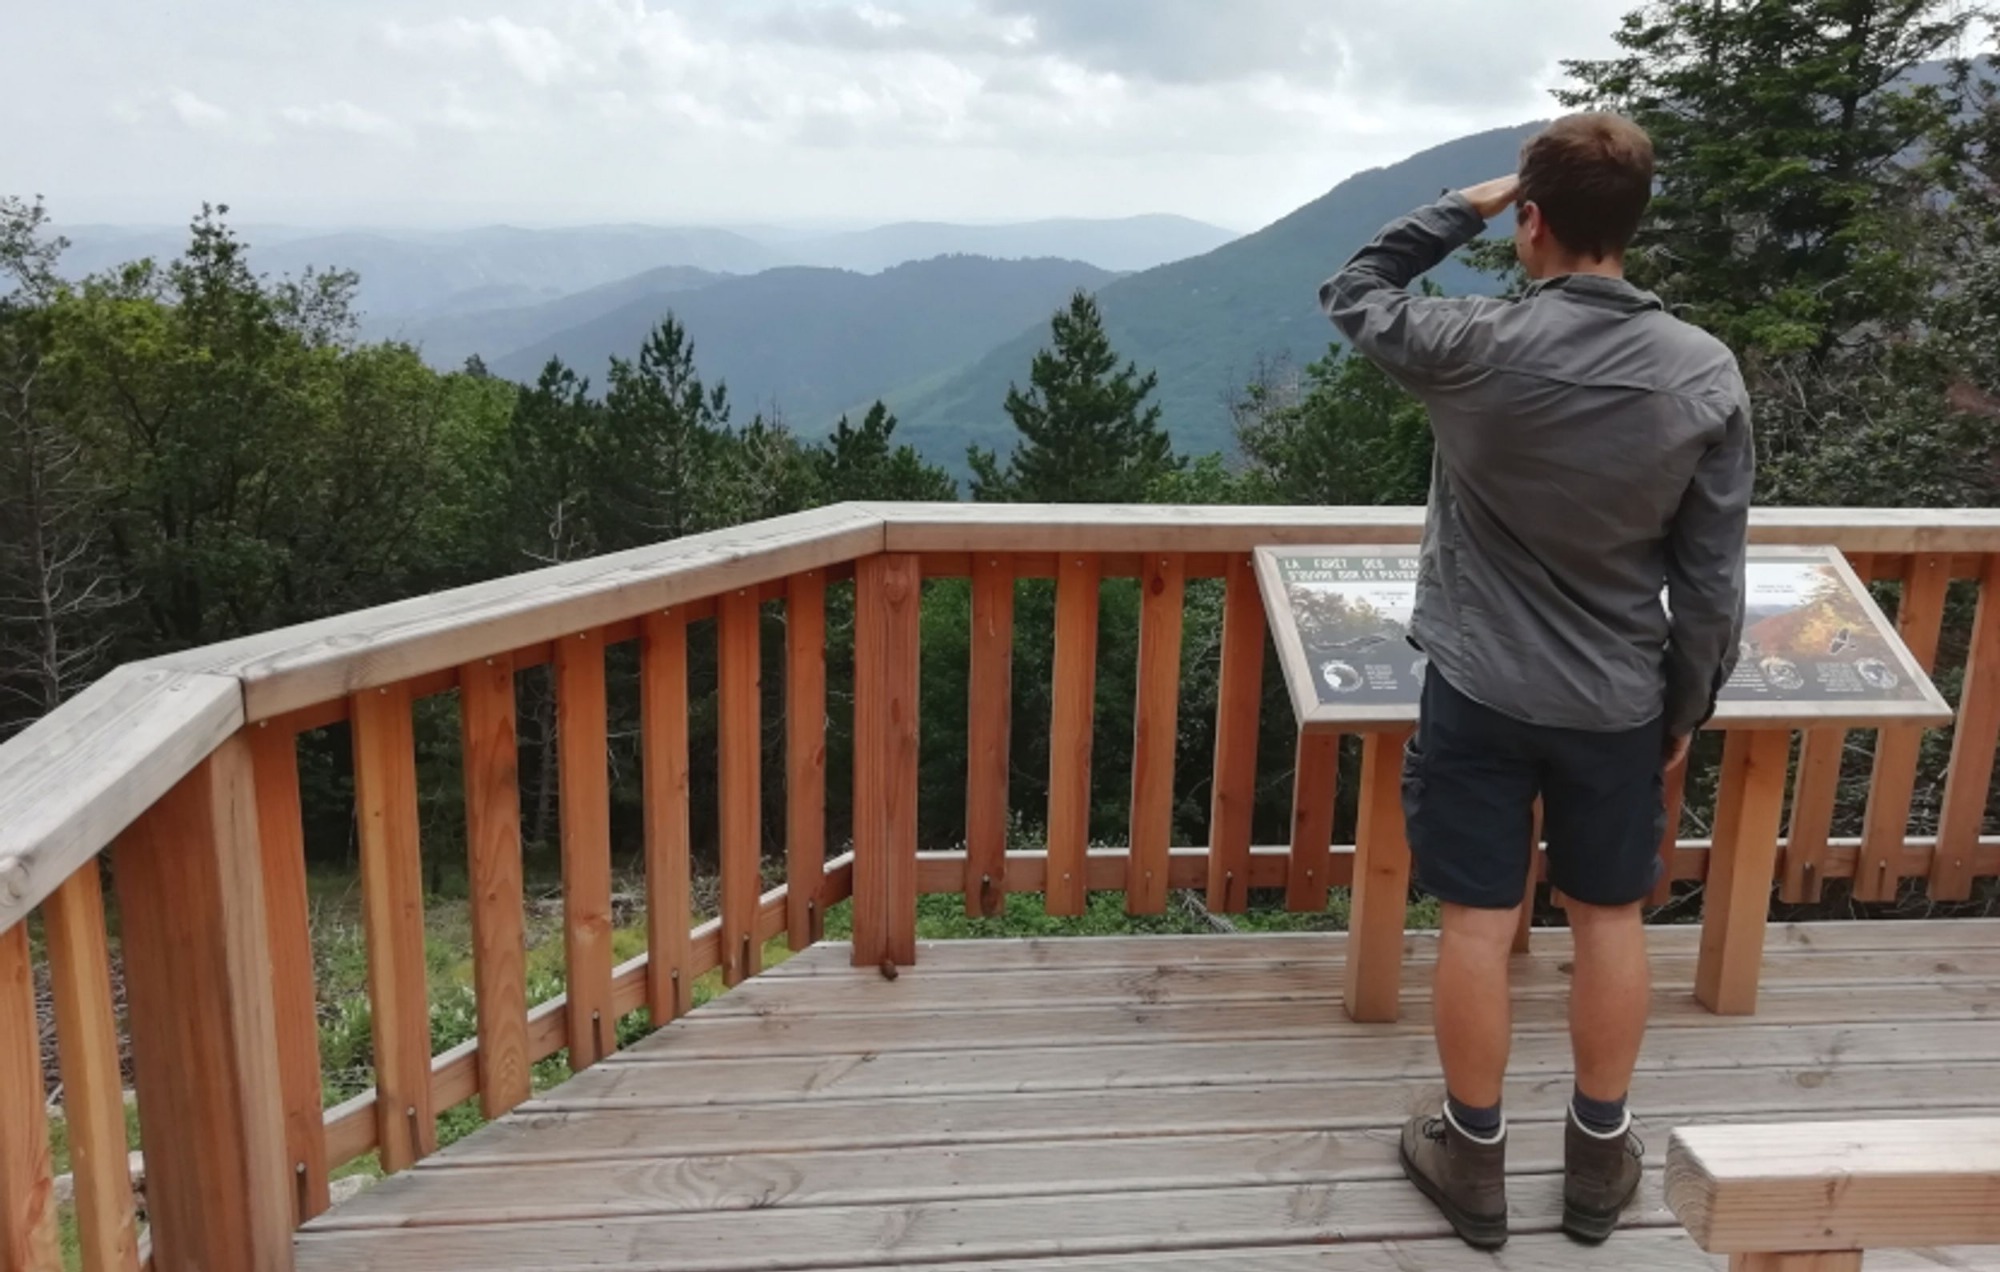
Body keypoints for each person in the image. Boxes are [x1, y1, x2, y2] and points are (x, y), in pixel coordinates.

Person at [1318, 113, 1752, 1249]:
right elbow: (1711, 581)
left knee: (1476, 920)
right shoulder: (1702, 371)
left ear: (1532, 221)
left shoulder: (1474, 343)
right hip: (1617, 698)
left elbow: (1353, 289)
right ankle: (1599, 1162)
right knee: (1609, 918)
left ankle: (1473, 1159)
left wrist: (1463, 203)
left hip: (1477, 686)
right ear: (1632, 223)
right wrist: (1684, 707)